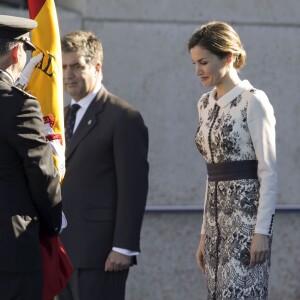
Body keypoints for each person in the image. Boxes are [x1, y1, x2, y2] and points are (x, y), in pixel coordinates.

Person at [188, 21, 277, 299]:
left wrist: (261, 231)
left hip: (246, 227)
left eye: (203, 62)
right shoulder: (204, 104)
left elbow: (269, 172)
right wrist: (204, 233)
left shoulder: (254, 101)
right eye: (194, 63)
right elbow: (211, 174)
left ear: (228, 57)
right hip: (214, 227)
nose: (197, 71)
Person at [57, 30, 149, 300]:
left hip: (101, 254)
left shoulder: (124, 117)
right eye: (63, 67)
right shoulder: (61, 118)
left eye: (76, 66)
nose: (68, 74)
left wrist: (124, 247)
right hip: (62, 252)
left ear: (96, 67)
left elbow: (133, 187)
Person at [0, 15, 62, 299]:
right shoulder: (19, 105)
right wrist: (52, 224)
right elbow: (41, 173)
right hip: (11, 249)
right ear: (16, 52)